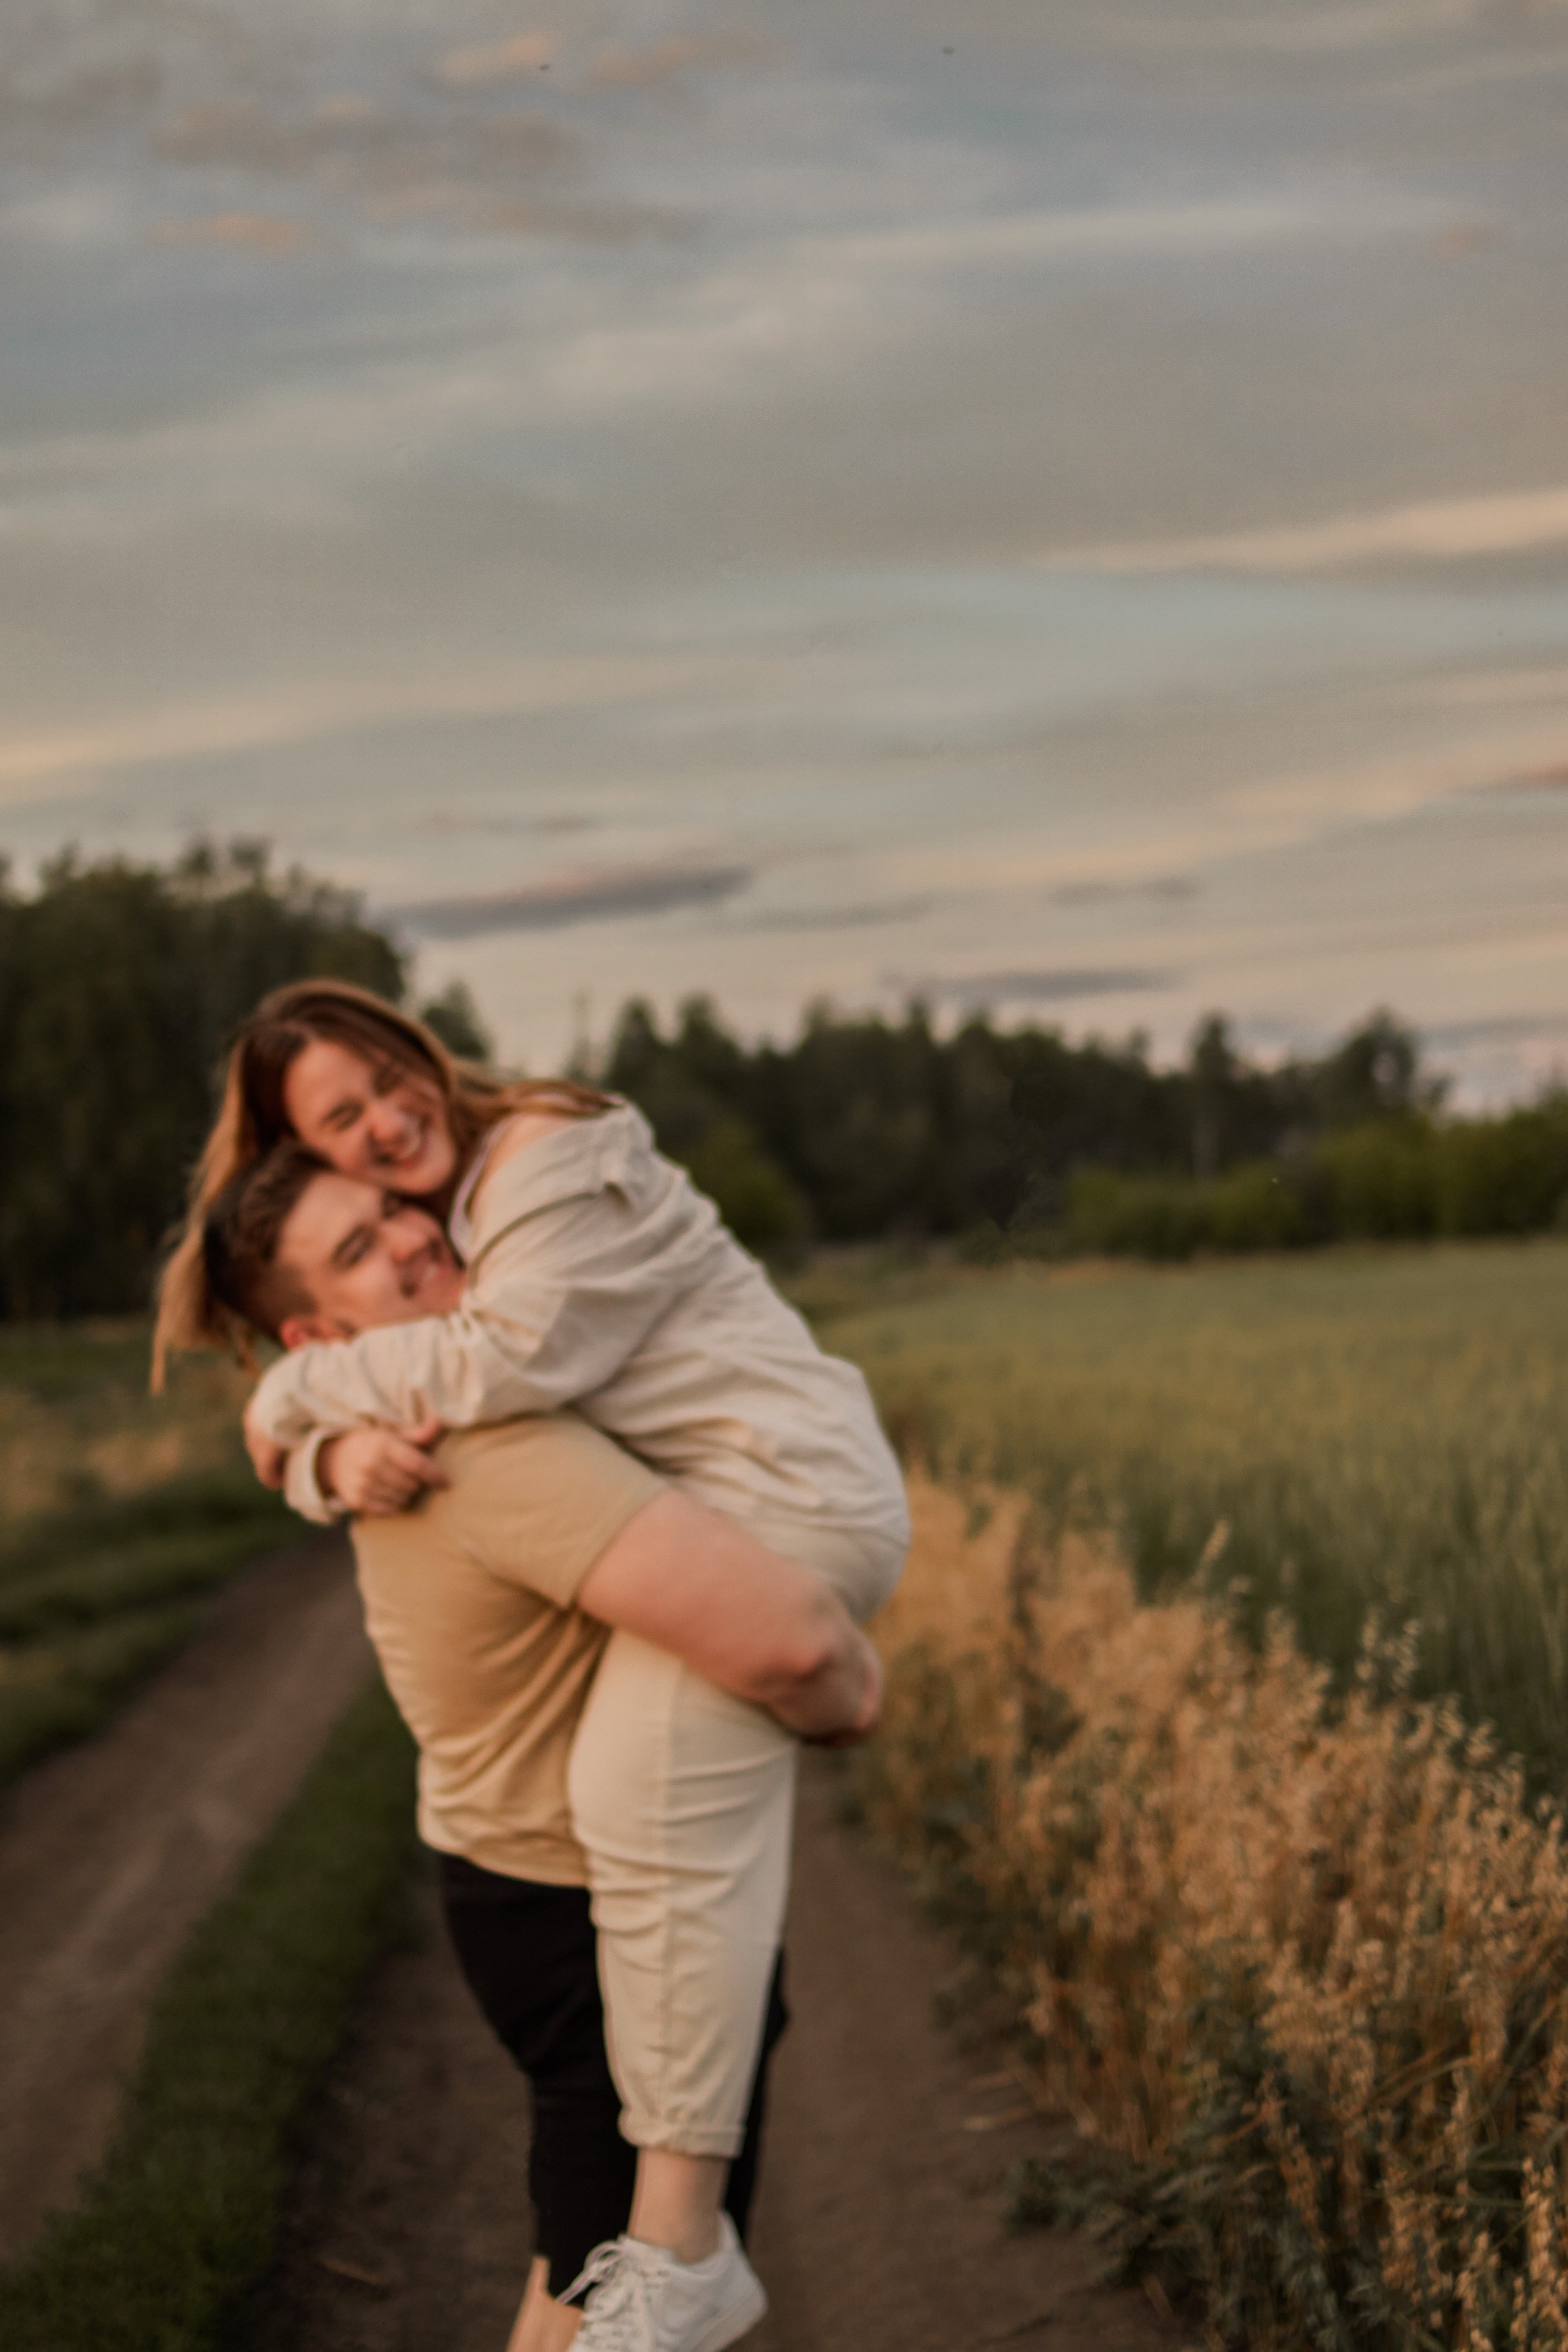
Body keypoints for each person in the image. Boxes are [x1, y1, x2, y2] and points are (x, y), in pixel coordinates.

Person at [154, 980, 909, 2352]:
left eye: (394, 1199)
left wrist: (297, 1418)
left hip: (527, 1879)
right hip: (562, 1902)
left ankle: (683, 2269)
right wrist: (842, 1685)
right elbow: (795, 1643)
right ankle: (683, 2269)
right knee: (605, 2275)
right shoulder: (481, 1434)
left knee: (595, 2265)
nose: (400, 1201)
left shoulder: (511, 1240)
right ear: (320, 1328)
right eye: (356, 1209)